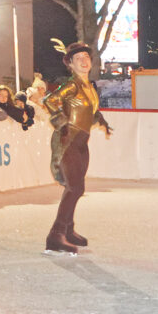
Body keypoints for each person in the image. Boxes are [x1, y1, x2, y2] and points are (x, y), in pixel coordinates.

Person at [43, 41, 112, 254]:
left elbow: (87, 110)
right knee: (76, 188)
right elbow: (50, 100)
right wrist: (61, 122)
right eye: (78, 59)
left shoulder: (89, 87)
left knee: (75, 186)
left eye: (86, 58)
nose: (83, 61)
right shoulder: (72, 85)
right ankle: (56, 235)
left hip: (82, 143)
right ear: (70, 65)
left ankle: (69, 230)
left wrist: (100, 119)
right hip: (68, 141)